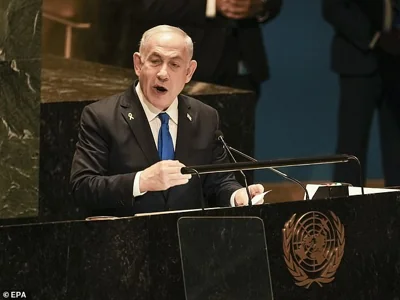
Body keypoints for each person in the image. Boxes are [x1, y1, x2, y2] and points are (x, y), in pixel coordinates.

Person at [70, 25, 264, 217]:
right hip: (124, 241)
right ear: (138, 64)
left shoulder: (204, 117)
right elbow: (83, 187)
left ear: (188, 72)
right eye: (155, 61)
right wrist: (141, 181)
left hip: (186, 240)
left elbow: (219, 181)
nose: (163, 74)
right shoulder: (101, 116)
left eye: (174, 65)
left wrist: (236, 195)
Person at [95, 0, 282, 96]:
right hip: (179, 72)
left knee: (236, 161)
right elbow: (144, 4)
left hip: (243, 70)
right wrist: (211, 3)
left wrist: (260, 6)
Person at [323, 0, 400, 186]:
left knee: (397, 147)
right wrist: (376, 38)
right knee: (351, 144)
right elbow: (332, 8)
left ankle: (396, 210)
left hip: (396, 62)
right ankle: (346, 211)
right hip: (357, 59)